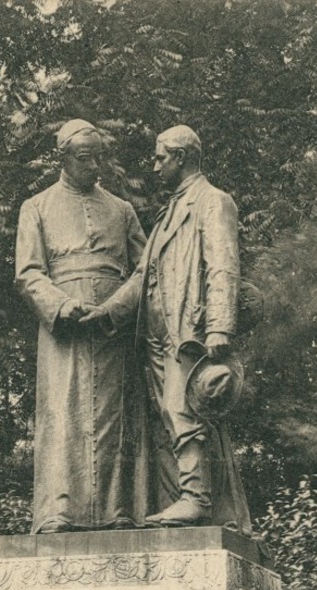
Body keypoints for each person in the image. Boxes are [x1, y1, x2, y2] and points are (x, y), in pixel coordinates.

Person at [81, 125, 253, 531]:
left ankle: (195, 497)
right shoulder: (167, 212)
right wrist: (105, 313)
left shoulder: (213, 202)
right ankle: (185, 497)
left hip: (188, 329)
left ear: (182, 158)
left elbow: (223, 266)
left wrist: (220, 329)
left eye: (161, 157)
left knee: (185, 410)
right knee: (167, 419)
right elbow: (143, 277)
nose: (155, 166)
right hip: (157, 334)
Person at [15, 119, 147, 533]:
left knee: (114, 418)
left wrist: (115, 308)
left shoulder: (121, 210)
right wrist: (64, 306)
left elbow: (147, 269)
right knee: (63, 413)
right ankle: (59, 511)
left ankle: (116, 511)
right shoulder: (36, 207)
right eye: (85, 159)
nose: (95, 168)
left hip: (113, 327)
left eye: (99, 158)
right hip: (63, 330)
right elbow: (29, 273)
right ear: (65, 159)